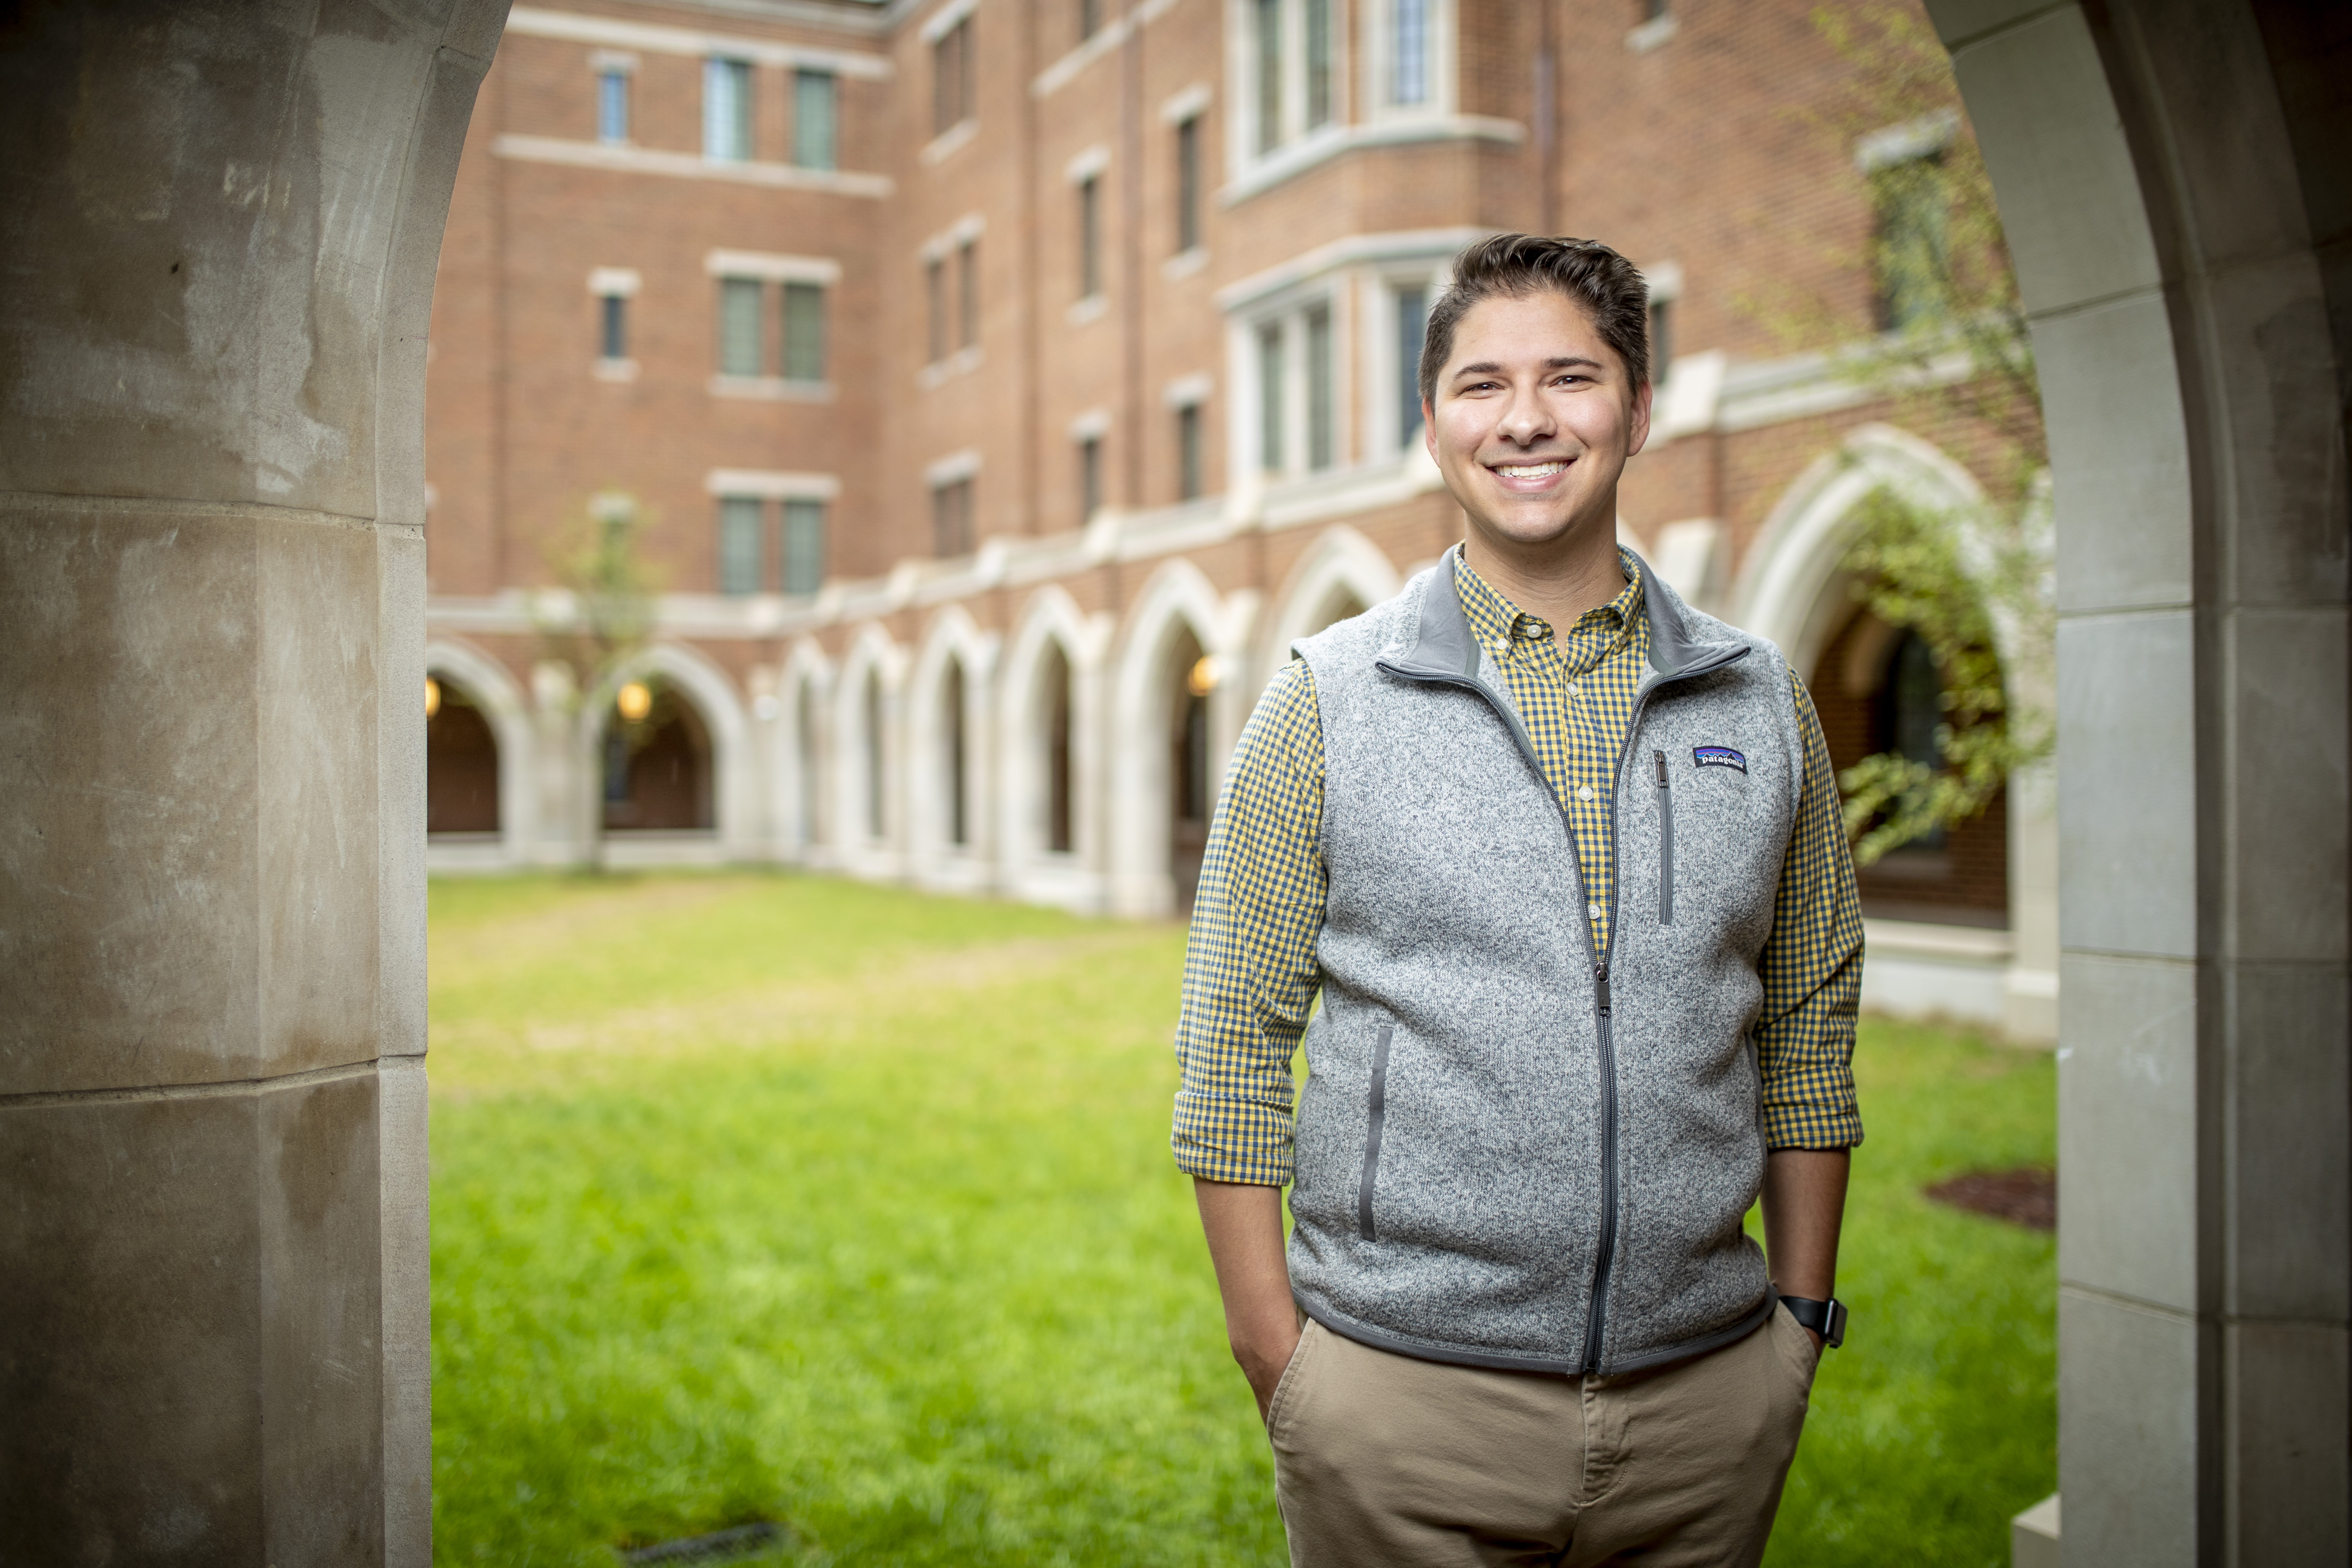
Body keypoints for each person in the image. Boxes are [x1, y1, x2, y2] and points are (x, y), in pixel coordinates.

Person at [1171, 233, 1864, 1567]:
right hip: (1402, 1403)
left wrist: (1796, 1326)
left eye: (1572, 378)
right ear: (1433, 425)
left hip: (1707, 1404)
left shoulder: (1758, 695)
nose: (1529, 420)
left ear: (1638, 411)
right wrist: (1283, 1362)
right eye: (1484, 385)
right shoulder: (1324, 697)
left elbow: (1811, 1022)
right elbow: (1229, 1045)